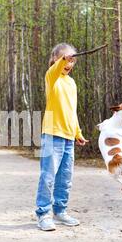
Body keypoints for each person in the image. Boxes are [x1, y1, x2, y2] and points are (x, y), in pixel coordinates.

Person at [35, 43, 89, 231]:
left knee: (65, 178)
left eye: (72, 59)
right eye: (64, 58)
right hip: (52, 134)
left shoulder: (71, 83)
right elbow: (55, 70)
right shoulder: (52, 77)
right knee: (48, 176)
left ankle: (60, 211)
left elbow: (71, 111)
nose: (69, 62)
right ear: (55, 60)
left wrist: (77, 133)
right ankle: (43, 213)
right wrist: (61, 62)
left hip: (68, 137)